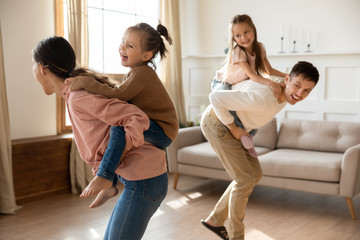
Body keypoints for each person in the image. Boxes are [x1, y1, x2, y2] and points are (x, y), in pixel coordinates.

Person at [32, 36, 169, 240]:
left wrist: (103, 174)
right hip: (140, 179)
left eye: (32, 64)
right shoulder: (72, 94)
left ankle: (107, 180)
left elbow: (134, 117)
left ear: (43, 68)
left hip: (145, 180)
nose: (32, 70)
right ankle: (109, 183)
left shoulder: (78, 96)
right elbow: (103, 138)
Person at [200, 61, 319, 240]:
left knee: (254, 174)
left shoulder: (282, 87)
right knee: (244, 179)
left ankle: (215, 220)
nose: (299, 94)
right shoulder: (264, 97)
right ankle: (236, 236)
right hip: (217, 123)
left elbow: (268, 70)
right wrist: (233, 128)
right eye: (297, 86)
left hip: (235, 125)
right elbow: (215, 98)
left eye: (307, 91)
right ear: (287, 79)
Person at [68, 22, 179, 199]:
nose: (122, 48)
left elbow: (119, 95)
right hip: (156, 126)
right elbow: (121, 94)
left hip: (163, 130)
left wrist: (87, 82)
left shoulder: (143, 73)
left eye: (130, 46)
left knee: (119, 127)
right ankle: (109, 185)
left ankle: (105, 176)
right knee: (119, 125)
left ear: (146, 55)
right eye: (122, 42)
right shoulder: (135, 72)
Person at [212, 14, 287, 158]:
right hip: (223, 82)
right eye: (238, 35)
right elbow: (252, 75)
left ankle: (249, 136)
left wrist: (286, 76)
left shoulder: (259, 47)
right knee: (227, 103)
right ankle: (237, 131)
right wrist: (271, 83)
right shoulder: (237, 52)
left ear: (253, 29)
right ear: (234, 38)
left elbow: (269, 71)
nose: (243, 38)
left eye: (246, 32)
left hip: (241, 83)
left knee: (250, 108)